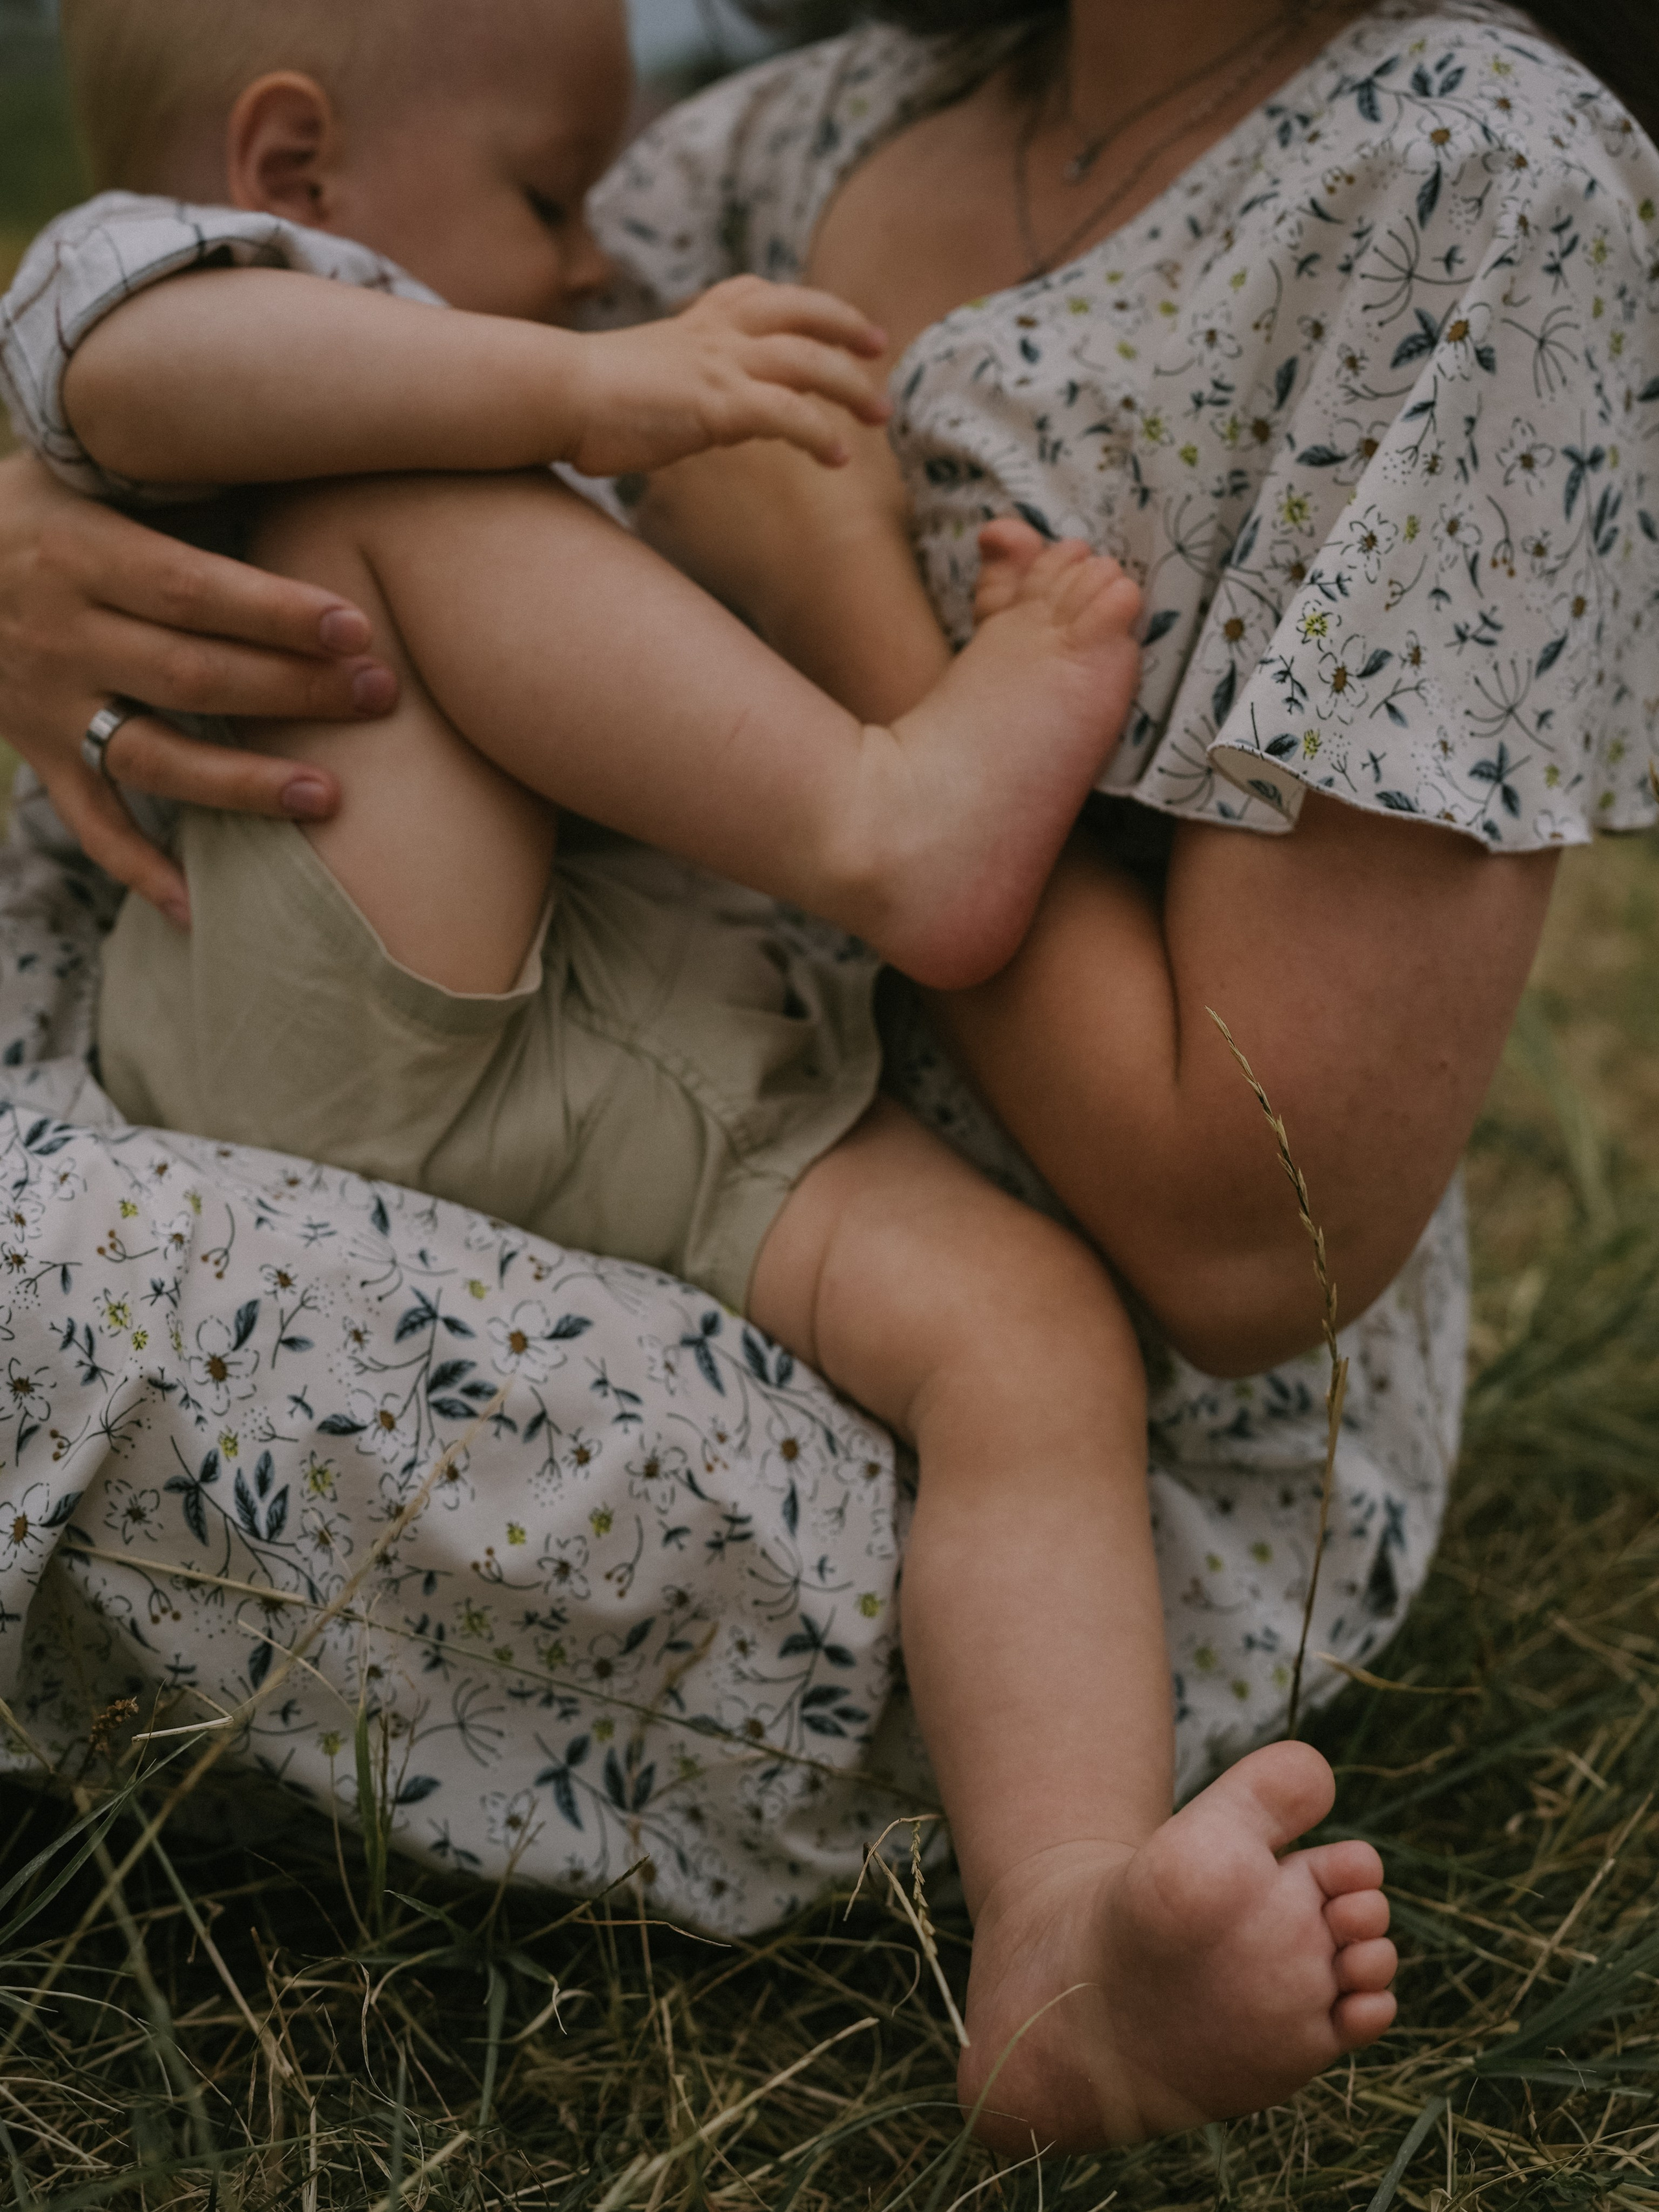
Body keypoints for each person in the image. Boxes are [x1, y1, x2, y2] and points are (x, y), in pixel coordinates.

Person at [0, 0, 1651, 2147]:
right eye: (553, 214)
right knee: (403, 443)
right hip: (460, 1015)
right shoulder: (819, 115)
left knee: (1023, 1332)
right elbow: (155, 348)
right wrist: (41, 540)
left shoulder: (1478, 183)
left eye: (578, 230)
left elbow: (1257, 1238)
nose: (588, 266)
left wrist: (839, 597)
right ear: (288, 175)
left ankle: (1061, 1926)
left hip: (754, 1160)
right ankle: (884, 820)